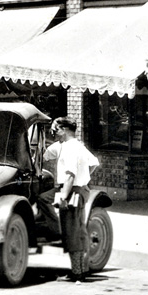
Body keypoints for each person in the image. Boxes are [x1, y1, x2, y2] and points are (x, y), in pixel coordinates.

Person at [43, 117, 100, 280]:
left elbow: (69, 176)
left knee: (71, 232)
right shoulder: (77, 146)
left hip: (70, 190)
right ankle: (81, 269)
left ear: (64, 129)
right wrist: (85, 179)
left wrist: (63, 196)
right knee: (78, 230)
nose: (54, 133)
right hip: (80, 190)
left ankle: (77, 273)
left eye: (56, 129)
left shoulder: (69, 148)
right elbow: (94, 163)